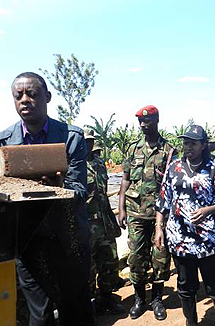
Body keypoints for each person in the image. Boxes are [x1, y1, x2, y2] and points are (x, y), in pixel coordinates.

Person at [0, 72, 94, 326]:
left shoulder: (70, 138)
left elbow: (80, 191)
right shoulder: (1, 145)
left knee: (76, 312)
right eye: (18, 96)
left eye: (32, 94)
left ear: (47, 97)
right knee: (40, 316)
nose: (25, 100)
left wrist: (60, 189)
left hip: (69, 241)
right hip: (29, 243)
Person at [155, 125, 215, 326]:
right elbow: (163, 199)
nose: (188, 147)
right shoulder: (174, 168)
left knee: (214, 282)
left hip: (208, 239)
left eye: (193, 143)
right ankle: (191, 320)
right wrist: (158, 228)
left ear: (204, 145)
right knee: (185, 284)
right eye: (185, 142)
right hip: (180, 239)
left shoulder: (213, 169)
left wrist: (207, 210)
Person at [118, 105, 177, 320]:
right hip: (135, 213)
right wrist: (121, 208)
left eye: (147, 121)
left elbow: (173, 184)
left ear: (157, 120)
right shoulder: (132, 149)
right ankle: (139, 299)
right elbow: (125, 179)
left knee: (160, 258)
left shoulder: (169, 150)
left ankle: (157, 299)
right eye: (140, 122)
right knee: (135, 258)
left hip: (161, 215)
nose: (143, 125)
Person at [84, 129, 125, 315]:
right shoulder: (73, 165)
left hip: (105, 223)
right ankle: (90, 304)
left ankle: (106, 299)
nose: (88, 144)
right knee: (88, 268)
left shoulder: (100, 163)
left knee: (110, 263)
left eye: (91, 141)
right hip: (86, 225)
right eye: (85, 141)